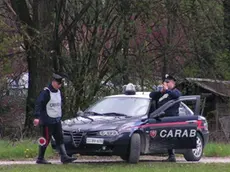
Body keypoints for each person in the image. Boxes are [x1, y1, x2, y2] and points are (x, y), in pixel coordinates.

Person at [33, 73, 77, 164]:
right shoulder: (46, 92)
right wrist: (37, 117)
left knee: (60, 138)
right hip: (47, 120)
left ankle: (64, 156)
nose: (60, 86)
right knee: (46, 139)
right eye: (58, 84)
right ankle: (40, 158)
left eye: (60, 84)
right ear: (53, 82)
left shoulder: (59, 92)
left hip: (56, 120)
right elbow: (38, 104)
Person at [149, 74, 182, 162]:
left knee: (170, 137)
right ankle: (169, 155)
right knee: (164, 137)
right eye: (166, 82)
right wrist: (161, 91)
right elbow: (151, 95)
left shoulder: (175, 92)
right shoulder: (163, 93)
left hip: (172, 119)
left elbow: (177, 95)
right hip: (161, 118)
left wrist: (167, 90)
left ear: (173, 83)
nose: (167, 84)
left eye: (168, 82)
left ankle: (172, 156)